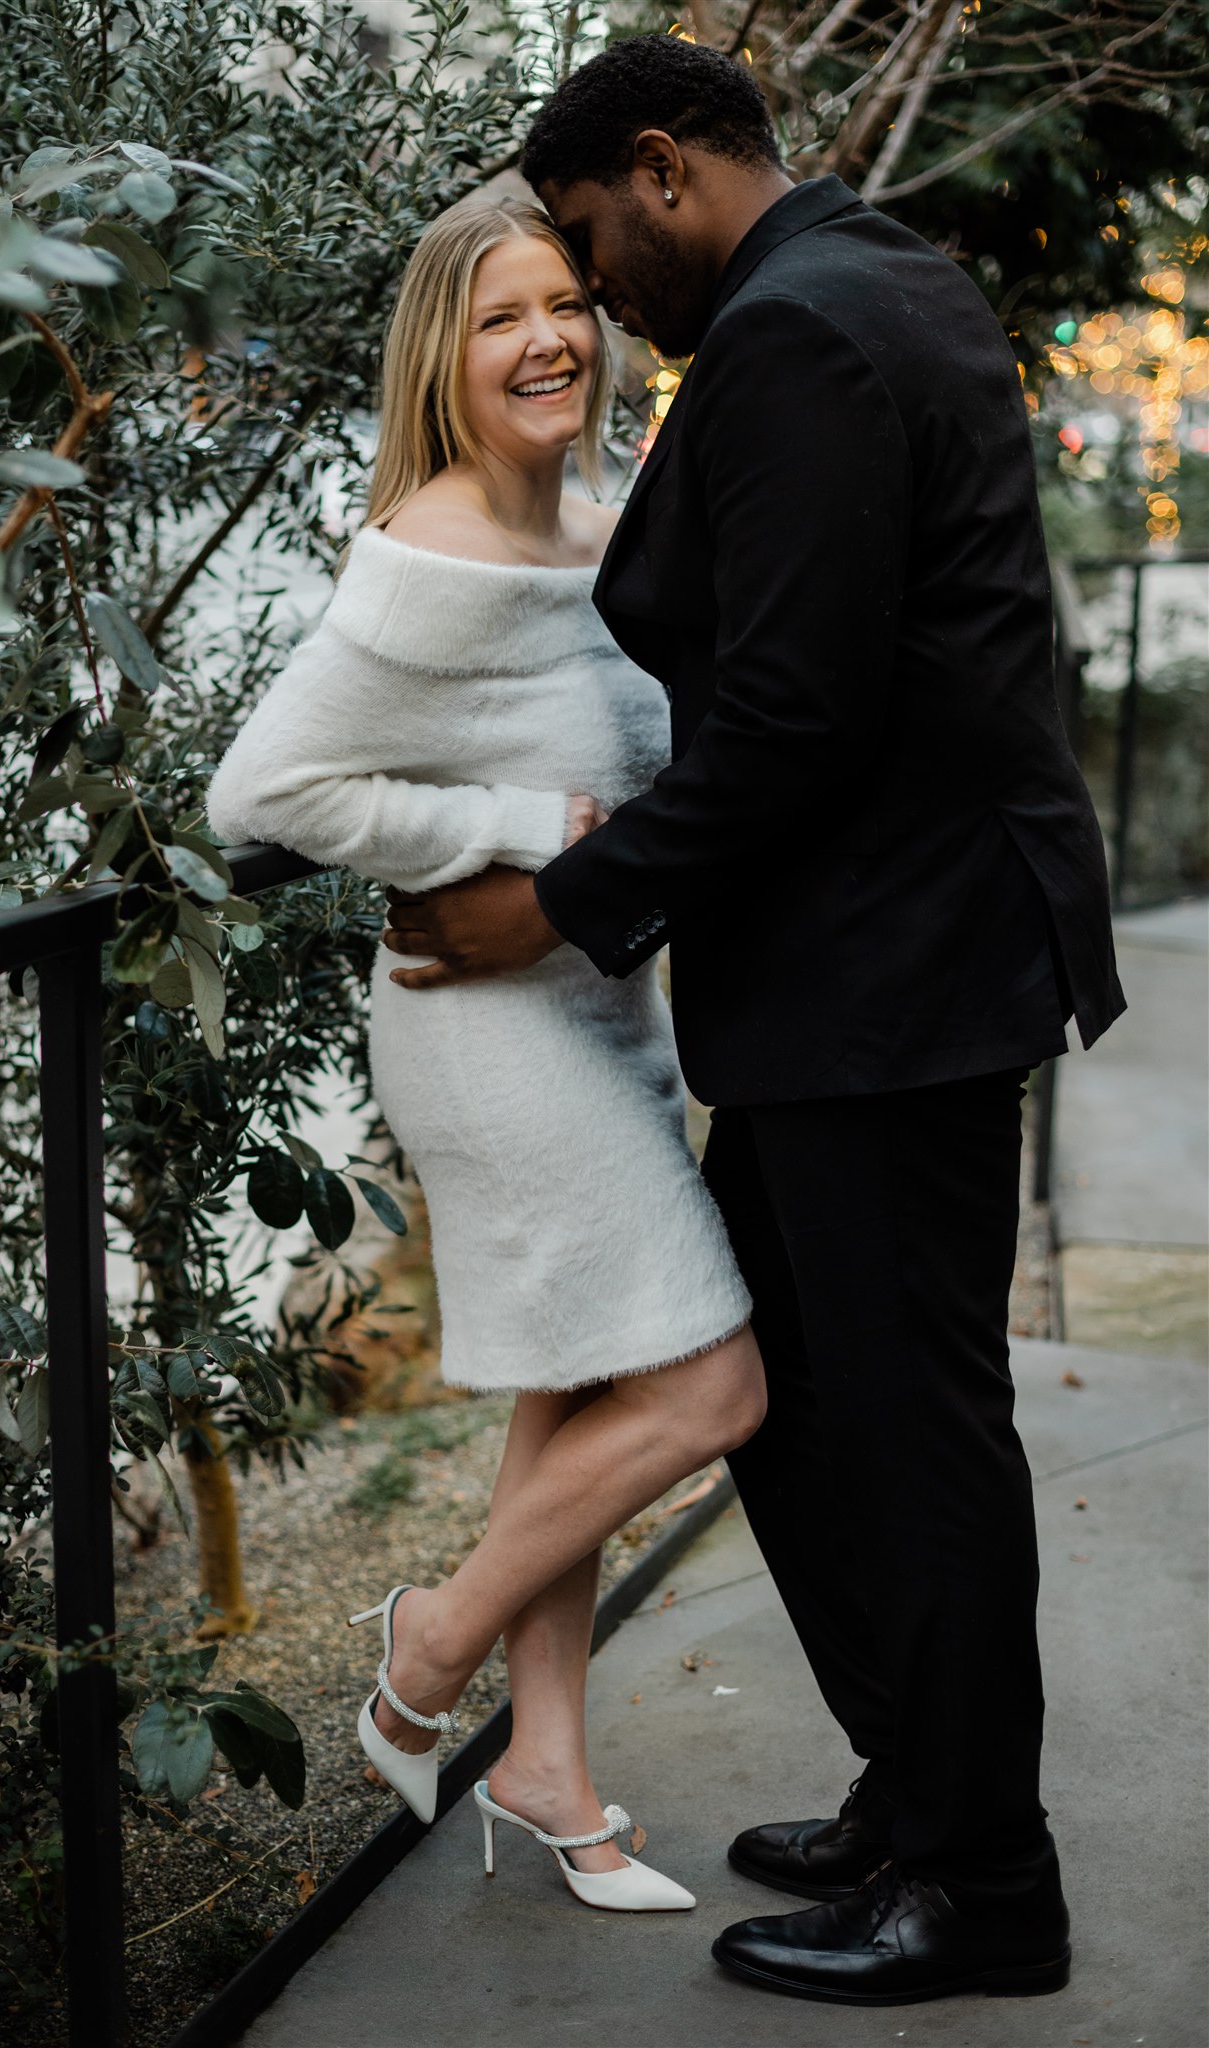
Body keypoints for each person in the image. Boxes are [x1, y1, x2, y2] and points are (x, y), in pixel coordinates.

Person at [378, 34, 1125, 2007]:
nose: (596, 287)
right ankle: (927, 1783)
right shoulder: (887, 273)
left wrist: (550, 907)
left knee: (911, 1430)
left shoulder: (799, 336)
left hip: (893, 982)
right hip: (903, 962)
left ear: (655, 165)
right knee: (783, 1396)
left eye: (591, 242)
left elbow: (795, 716)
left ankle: (985, 1885)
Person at [207, 194, 766, 1914]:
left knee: (577, 1387)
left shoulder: (602, 529)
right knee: (709, 1386)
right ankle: (426, 1646)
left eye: (567, 308)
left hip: (595, 1008)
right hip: (485, 1030)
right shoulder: (430, 556)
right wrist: (507, 824)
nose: (547, 343)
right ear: (440, 361)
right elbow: (260, 797)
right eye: (499, 318)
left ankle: (544, 1768)